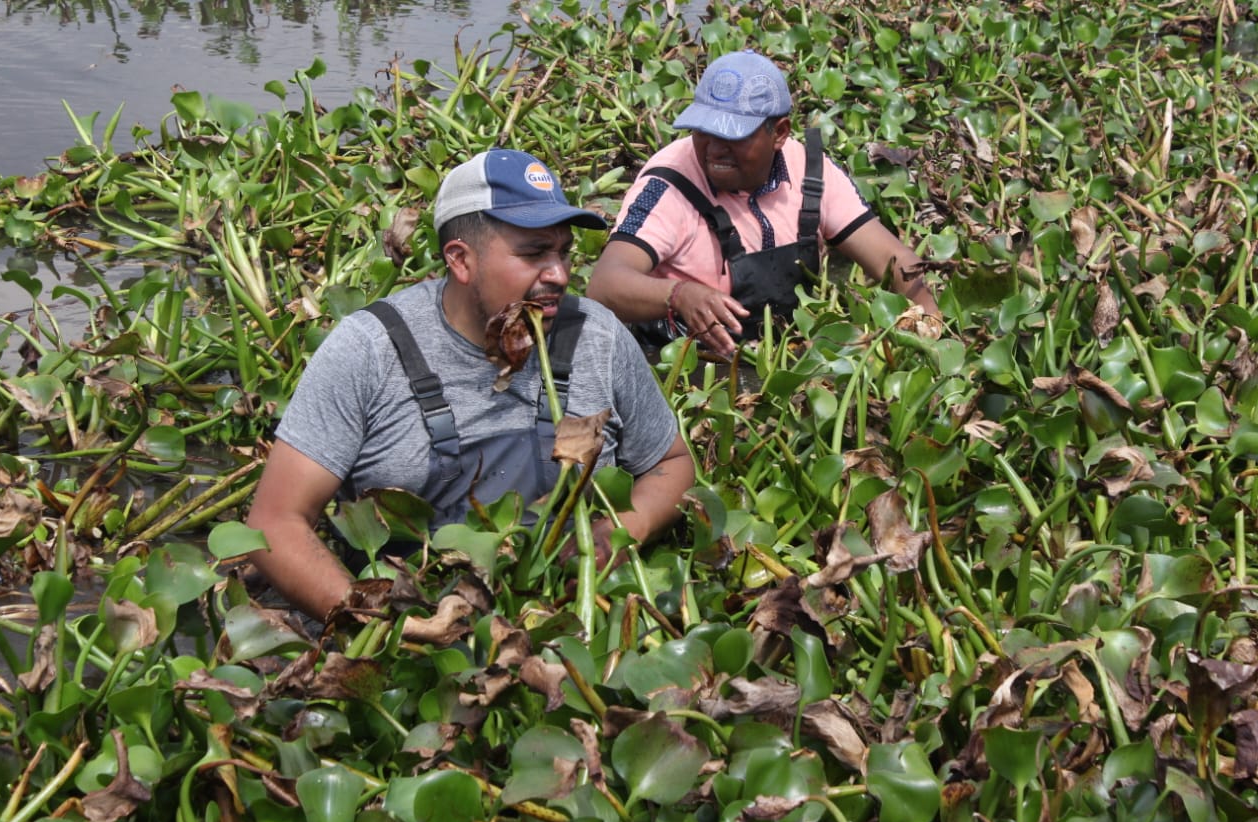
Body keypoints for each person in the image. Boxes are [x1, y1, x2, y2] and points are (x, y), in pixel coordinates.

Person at [247, 149, 695, 620]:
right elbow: (275, 523)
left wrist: (628, 526)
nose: (560, 275)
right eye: (534, 253)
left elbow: (671, 461)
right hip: (402, 625)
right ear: (461, 260)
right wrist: (383, 627)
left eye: (564, 251)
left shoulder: (597, 335)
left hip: (563, 620)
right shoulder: (368, 350)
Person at [587, 49, 940, 357]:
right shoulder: (669, 185)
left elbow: (892, 261)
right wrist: (679, 295)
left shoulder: (811, 171)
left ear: (780, 133)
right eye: (703, 131)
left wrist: (930, 328)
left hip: (785, 349)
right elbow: (604, 286)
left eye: (731, 135)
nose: (713, 149)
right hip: (686, 359)